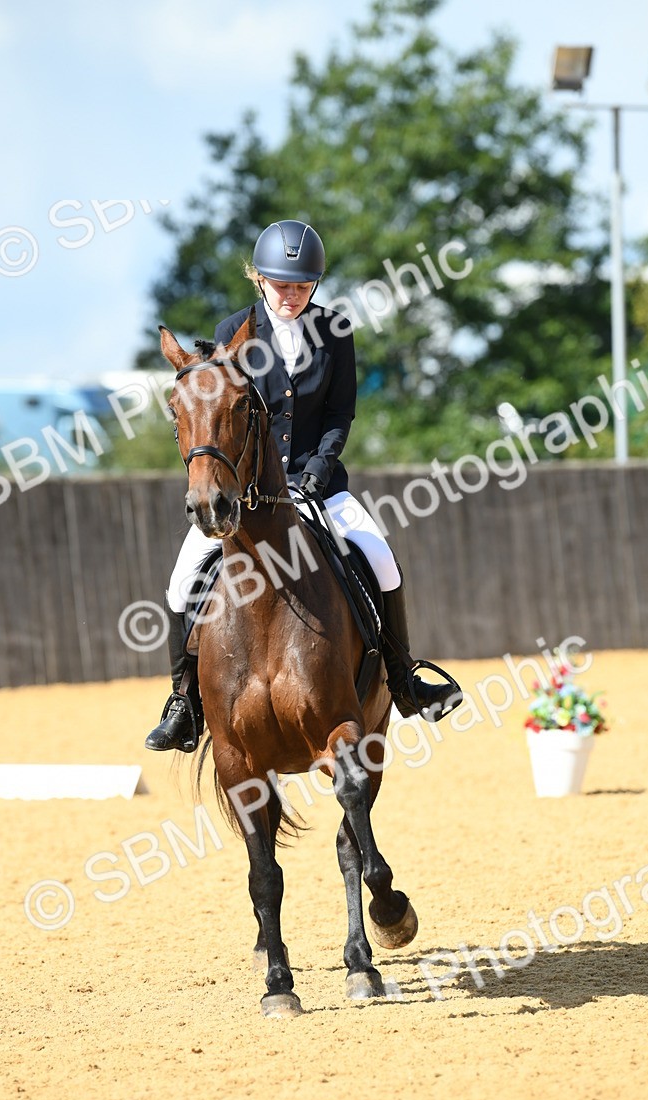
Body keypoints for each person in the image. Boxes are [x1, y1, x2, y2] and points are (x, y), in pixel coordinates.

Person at [146, 219, 459, 753]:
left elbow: (341, 414)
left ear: (314, 285)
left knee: (381, 561)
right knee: (181, 583)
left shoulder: (336, 332)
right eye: (280, 284)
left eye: (301, 286)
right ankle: (184, 702)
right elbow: (222, 415)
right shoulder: (232, 333)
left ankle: (404, 678)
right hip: (247, 495)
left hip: (322, 486)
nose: (290, 295)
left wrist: (318, 467)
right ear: (259, 280)